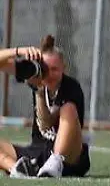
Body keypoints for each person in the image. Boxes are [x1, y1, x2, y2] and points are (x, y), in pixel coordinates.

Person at [0, 37, 90, 178]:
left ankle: (55, 162)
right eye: (45, 68)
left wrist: (39, 93)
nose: (49, 74)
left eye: (54, 69)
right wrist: (19, 51)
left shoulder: (71, 87)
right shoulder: (36, 76)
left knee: (69, 109)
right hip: (39, 152)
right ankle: (18, 170)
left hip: (68, 157)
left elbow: (47, 122)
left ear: (63, 68)